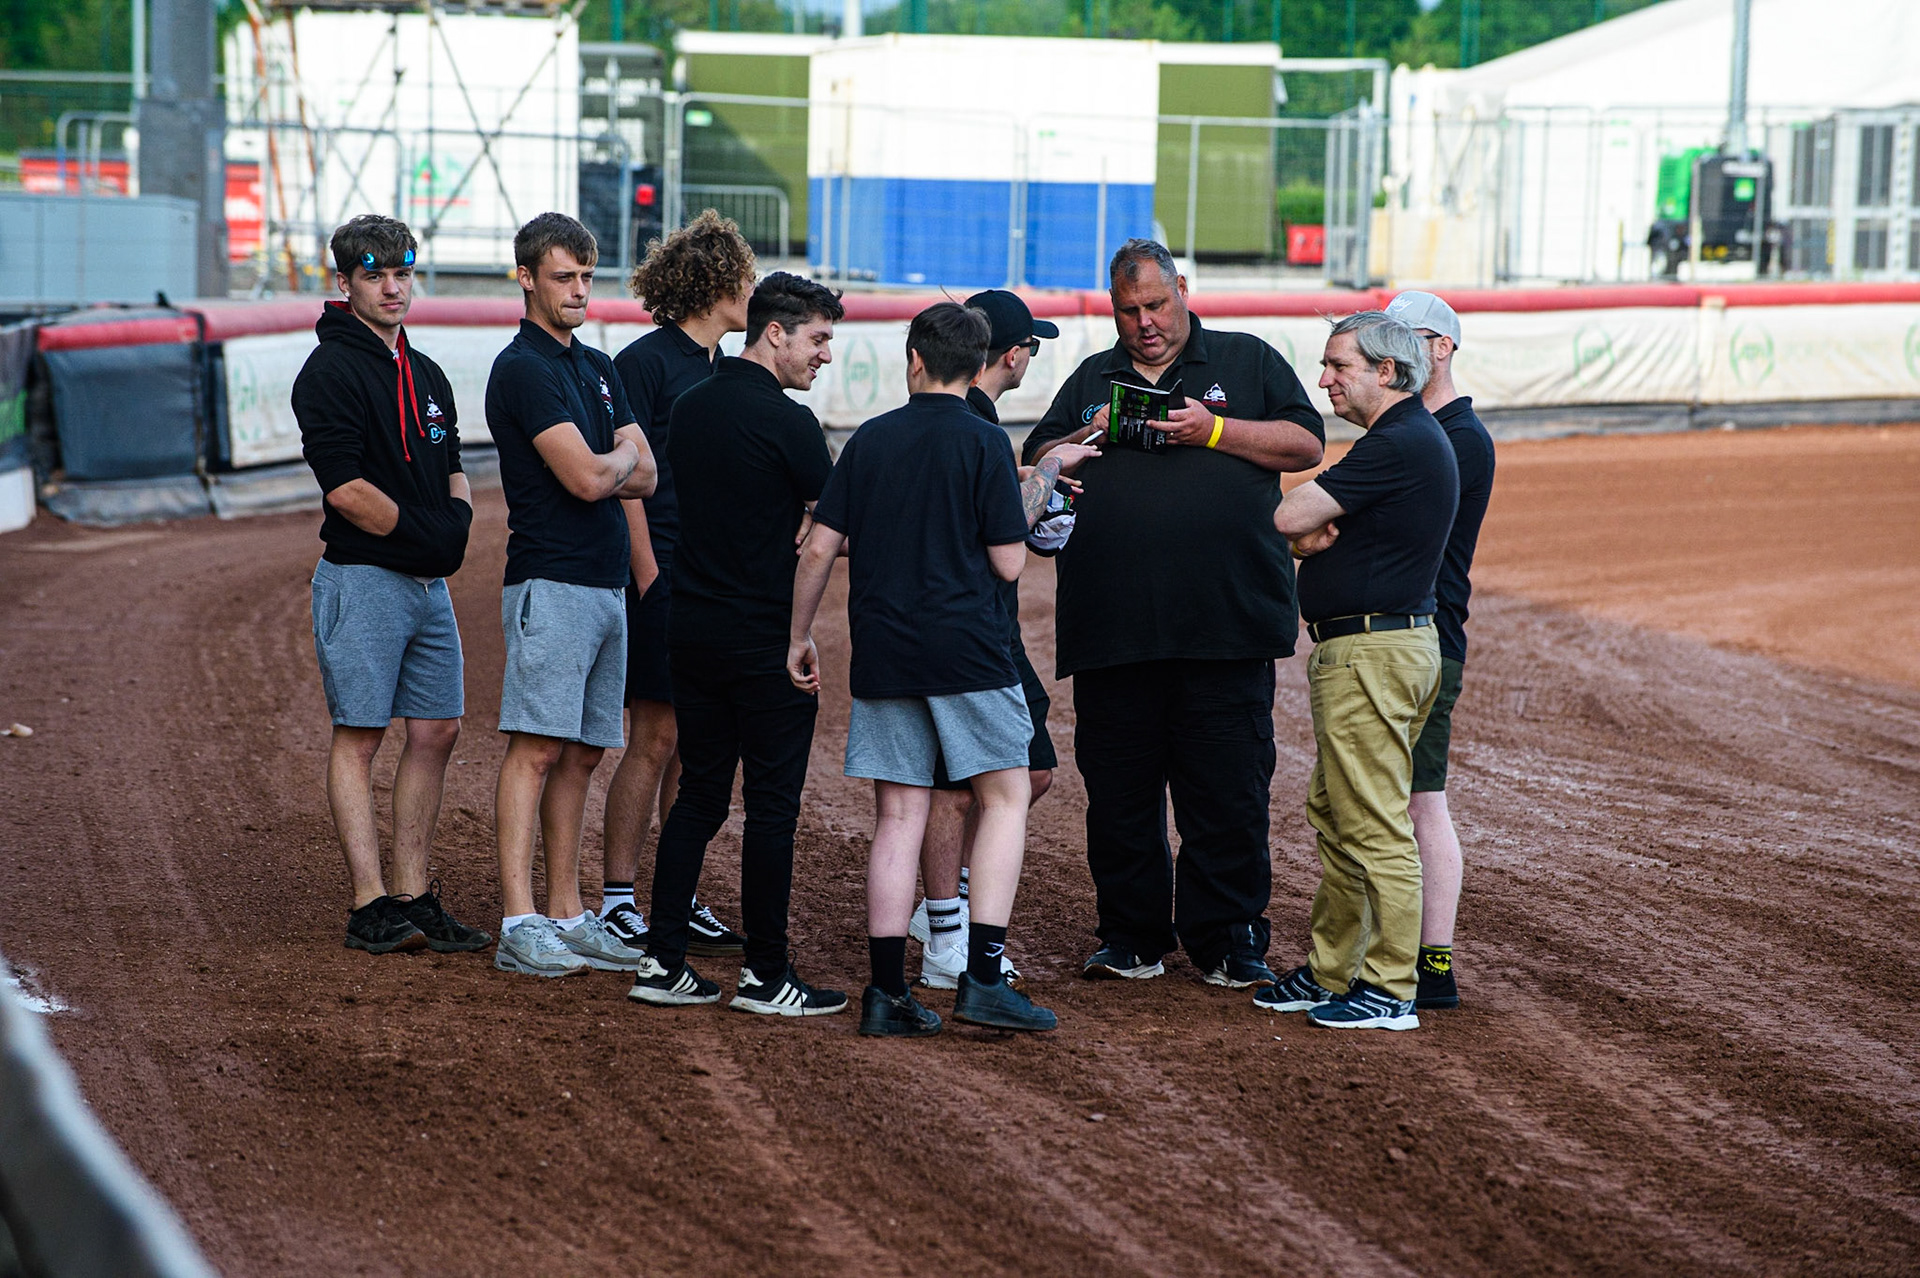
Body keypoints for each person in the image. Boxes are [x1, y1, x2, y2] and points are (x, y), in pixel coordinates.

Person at [788, 302, 1099, 1038]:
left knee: (900, 814)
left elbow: (818, 549)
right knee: (1005, 794)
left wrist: (797, 636)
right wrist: (1044, 477)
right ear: (979, 364)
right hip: (969, 651)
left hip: (886, 653)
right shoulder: (986, 442)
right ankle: (983, 977)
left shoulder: (870, 439)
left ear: (916, 360)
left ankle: (887, 992)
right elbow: (1008, 559)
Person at [1022, 238, 1324, 989]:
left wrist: (1213, 430)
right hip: (1111, 631)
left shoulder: (1245, 360)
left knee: (1226, 793)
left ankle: (1228, 939)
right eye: (1129, 311)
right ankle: (1131, 936)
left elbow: (1305, 442)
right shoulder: (1093, 376)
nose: (1145, 323)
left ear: (1182, 288)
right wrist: (1080, 439)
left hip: (1226, 627)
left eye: (1156, 304)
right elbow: (1038, 457)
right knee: (1120, 800)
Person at [626, 272, 848, 1015]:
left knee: (700, 796)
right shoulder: (789, 424)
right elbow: (835, 527)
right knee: (773, 808)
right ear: (775, 333)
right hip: (761, 637)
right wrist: (809, 533)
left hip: (691, 627)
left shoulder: (690, 406)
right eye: (817, 340)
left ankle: (662, 963)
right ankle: (767, 974)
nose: (824, 357)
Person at [293, 213, 492, 957]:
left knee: (437, 730)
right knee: (361, 737)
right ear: (344, 284)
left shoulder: (428, 371)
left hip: (423, 584)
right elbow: (344, 489)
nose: (392, 287)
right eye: (374, 275)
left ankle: (413, 894)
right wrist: (431, 535)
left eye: (402, 274)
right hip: (363, 579)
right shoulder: (328, 372)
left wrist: (457, 522)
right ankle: (367, 902)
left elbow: (456, 470)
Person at [1258, 311, 1458, 1031]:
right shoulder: (1403, 442)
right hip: (1378, 647)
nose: (1323, 380)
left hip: (1374, 652)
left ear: (1387, 370)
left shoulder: (1397, 442)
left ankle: (1391, 987)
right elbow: (1307, 526)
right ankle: (1334, 969)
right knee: (1339, 814)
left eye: (1338, 365)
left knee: (1371, 824)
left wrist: (1305, 531)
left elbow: (1290, 517)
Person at [486, 212, 659, 977]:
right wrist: (617, 457)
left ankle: (566, 910)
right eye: (564, 277)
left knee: (584, 752)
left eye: (587, 277)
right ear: (526, 278)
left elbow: (643, 475)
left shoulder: (597, 364)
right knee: (536, 749)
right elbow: (596, 477)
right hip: (551, 580)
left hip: (602, 584)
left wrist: (613, 460)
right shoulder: (522, 368)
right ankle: (519, 920)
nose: (579, 290)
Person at [601, 211, 758, 958]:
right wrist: (651, 579)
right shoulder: (644, 363)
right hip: (662, 577)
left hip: (706, 581)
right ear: (716, 285)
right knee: (655, 735)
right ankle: (617, 899)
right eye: (747, 280)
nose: (753, 293)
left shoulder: (725, 370)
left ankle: (677, 893)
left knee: (694, 746)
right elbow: (628, 478)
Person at [910, 288, 1063, 990]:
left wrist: (1027, 479)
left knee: (1023, 772)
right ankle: (945, 921)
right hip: (973, 630)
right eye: (1032, 345)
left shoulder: (971, 418)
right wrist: (1050, 479)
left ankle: (949, 902)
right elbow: (1007, 538)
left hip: (977, 627)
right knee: (958, 786)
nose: (1033, 355)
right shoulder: (972, 419)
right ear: (1010, 353)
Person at [1382, 290, 1496, 1011]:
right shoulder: (1432, 430)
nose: (1388, 353)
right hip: (1424, 635)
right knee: (1410, 801)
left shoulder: (1450, 437)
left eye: (1405, 339)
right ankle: (1423, 957)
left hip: (1425, 638)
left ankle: (1432, 962)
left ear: (1442, 347)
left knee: (1420, 803)